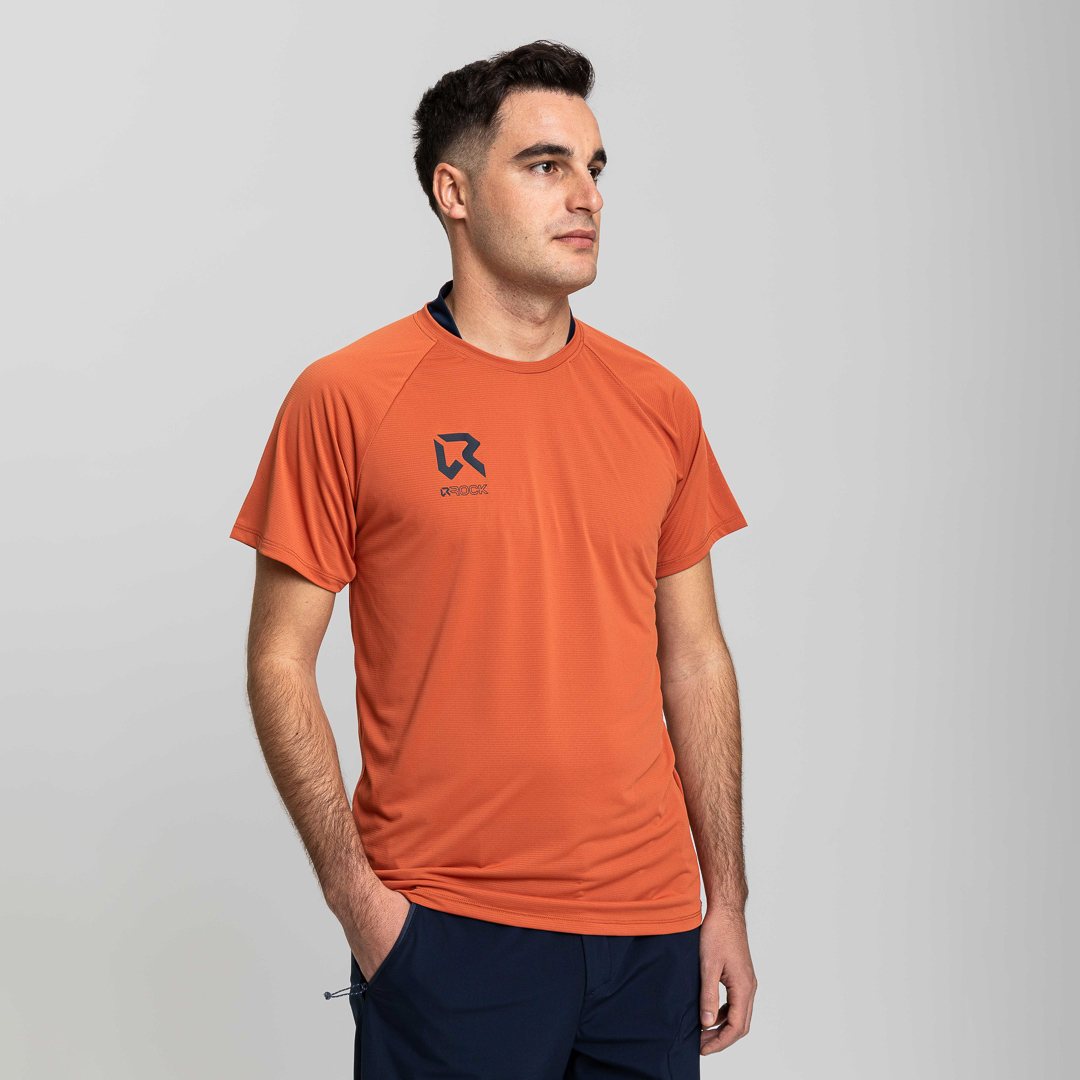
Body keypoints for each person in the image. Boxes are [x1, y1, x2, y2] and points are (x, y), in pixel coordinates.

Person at [230, 39, 756, 1079]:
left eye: (594, 167)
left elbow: (696, 658)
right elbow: (278, 661)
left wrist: (725, 900)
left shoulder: (658, 403)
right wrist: (362, 906)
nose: (586, 196)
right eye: (545, 165)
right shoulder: (349, 397)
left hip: (651, 933)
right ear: (454, 192)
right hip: (449, 931)